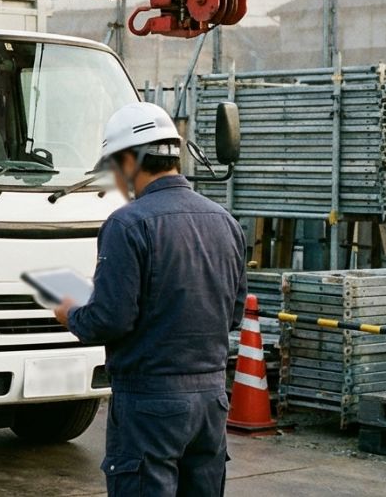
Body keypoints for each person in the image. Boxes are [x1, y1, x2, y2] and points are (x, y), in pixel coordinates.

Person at [52, 101, 247, 497]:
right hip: (210, 402)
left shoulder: (127, 225)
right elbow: (232, 313)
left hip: (149, 403)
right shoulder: (225, 221)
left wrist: (70, 314)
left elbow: (110, 320)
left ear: (129, 160)